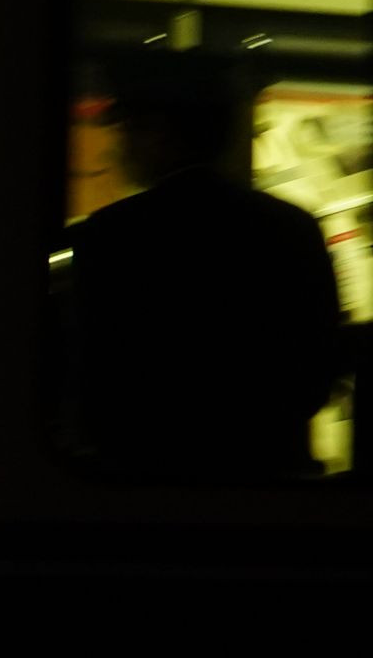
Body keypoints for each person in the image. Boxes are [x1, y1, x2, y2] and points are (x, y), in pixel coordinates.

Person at [70, 69, 346, 480]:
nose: (118, 146)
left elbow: (95, 372)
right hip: (268, 468)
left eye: (127, 129)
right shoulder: (292, 225)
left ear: (160, 134)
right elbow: (318, 363)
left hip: (147, 472)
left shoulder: (113, 234)